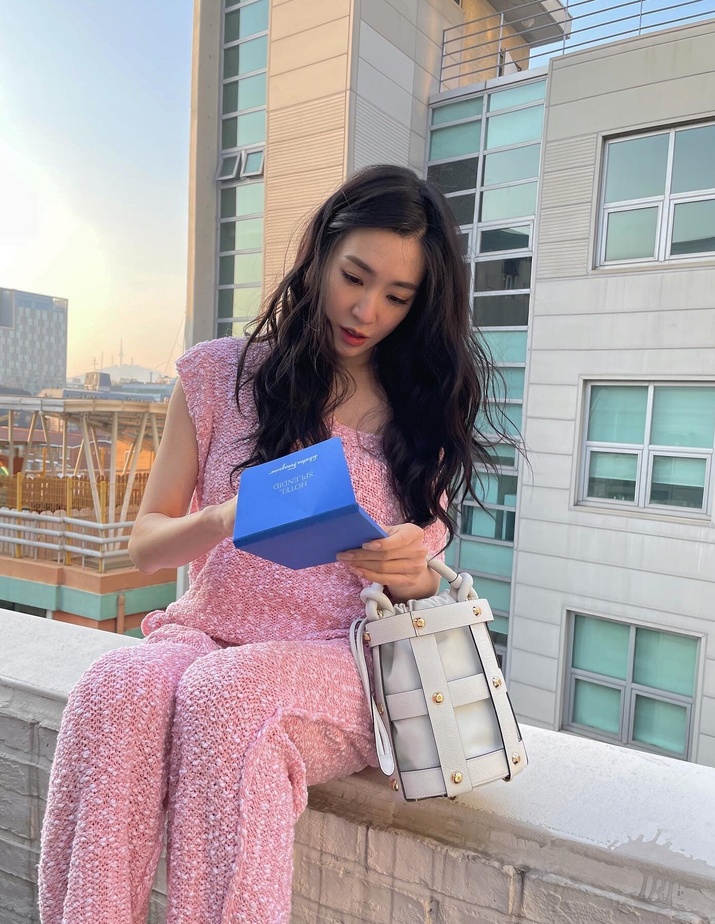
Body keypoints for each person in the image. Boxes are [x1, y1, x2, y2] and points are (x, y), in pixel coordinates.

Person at [38, 164, 508, 924]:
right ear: (319, 253)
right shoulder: (217, 375)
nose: (366, 310)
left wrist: (409, 570)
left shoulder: (421, 413)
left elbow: (423, 585)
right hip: (208, 633)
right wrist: (227, 517)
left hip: (342, 658)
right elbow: (146, 546)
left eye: (397, 296)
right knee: (115, 688)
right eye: (354, 277)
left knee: (229, 698)